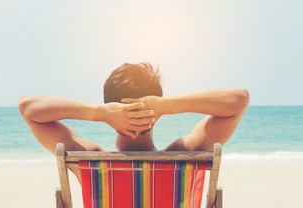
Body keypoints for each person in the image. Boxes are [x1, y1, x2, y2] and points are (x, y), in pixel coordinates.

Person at [19, 62, 249, 178]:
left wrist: (99, 112)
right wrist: (165, 106)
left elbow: (28, 108)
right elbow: (239, 100)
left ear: (110, 105)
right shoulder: (185, 155)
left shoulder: (90, 162)